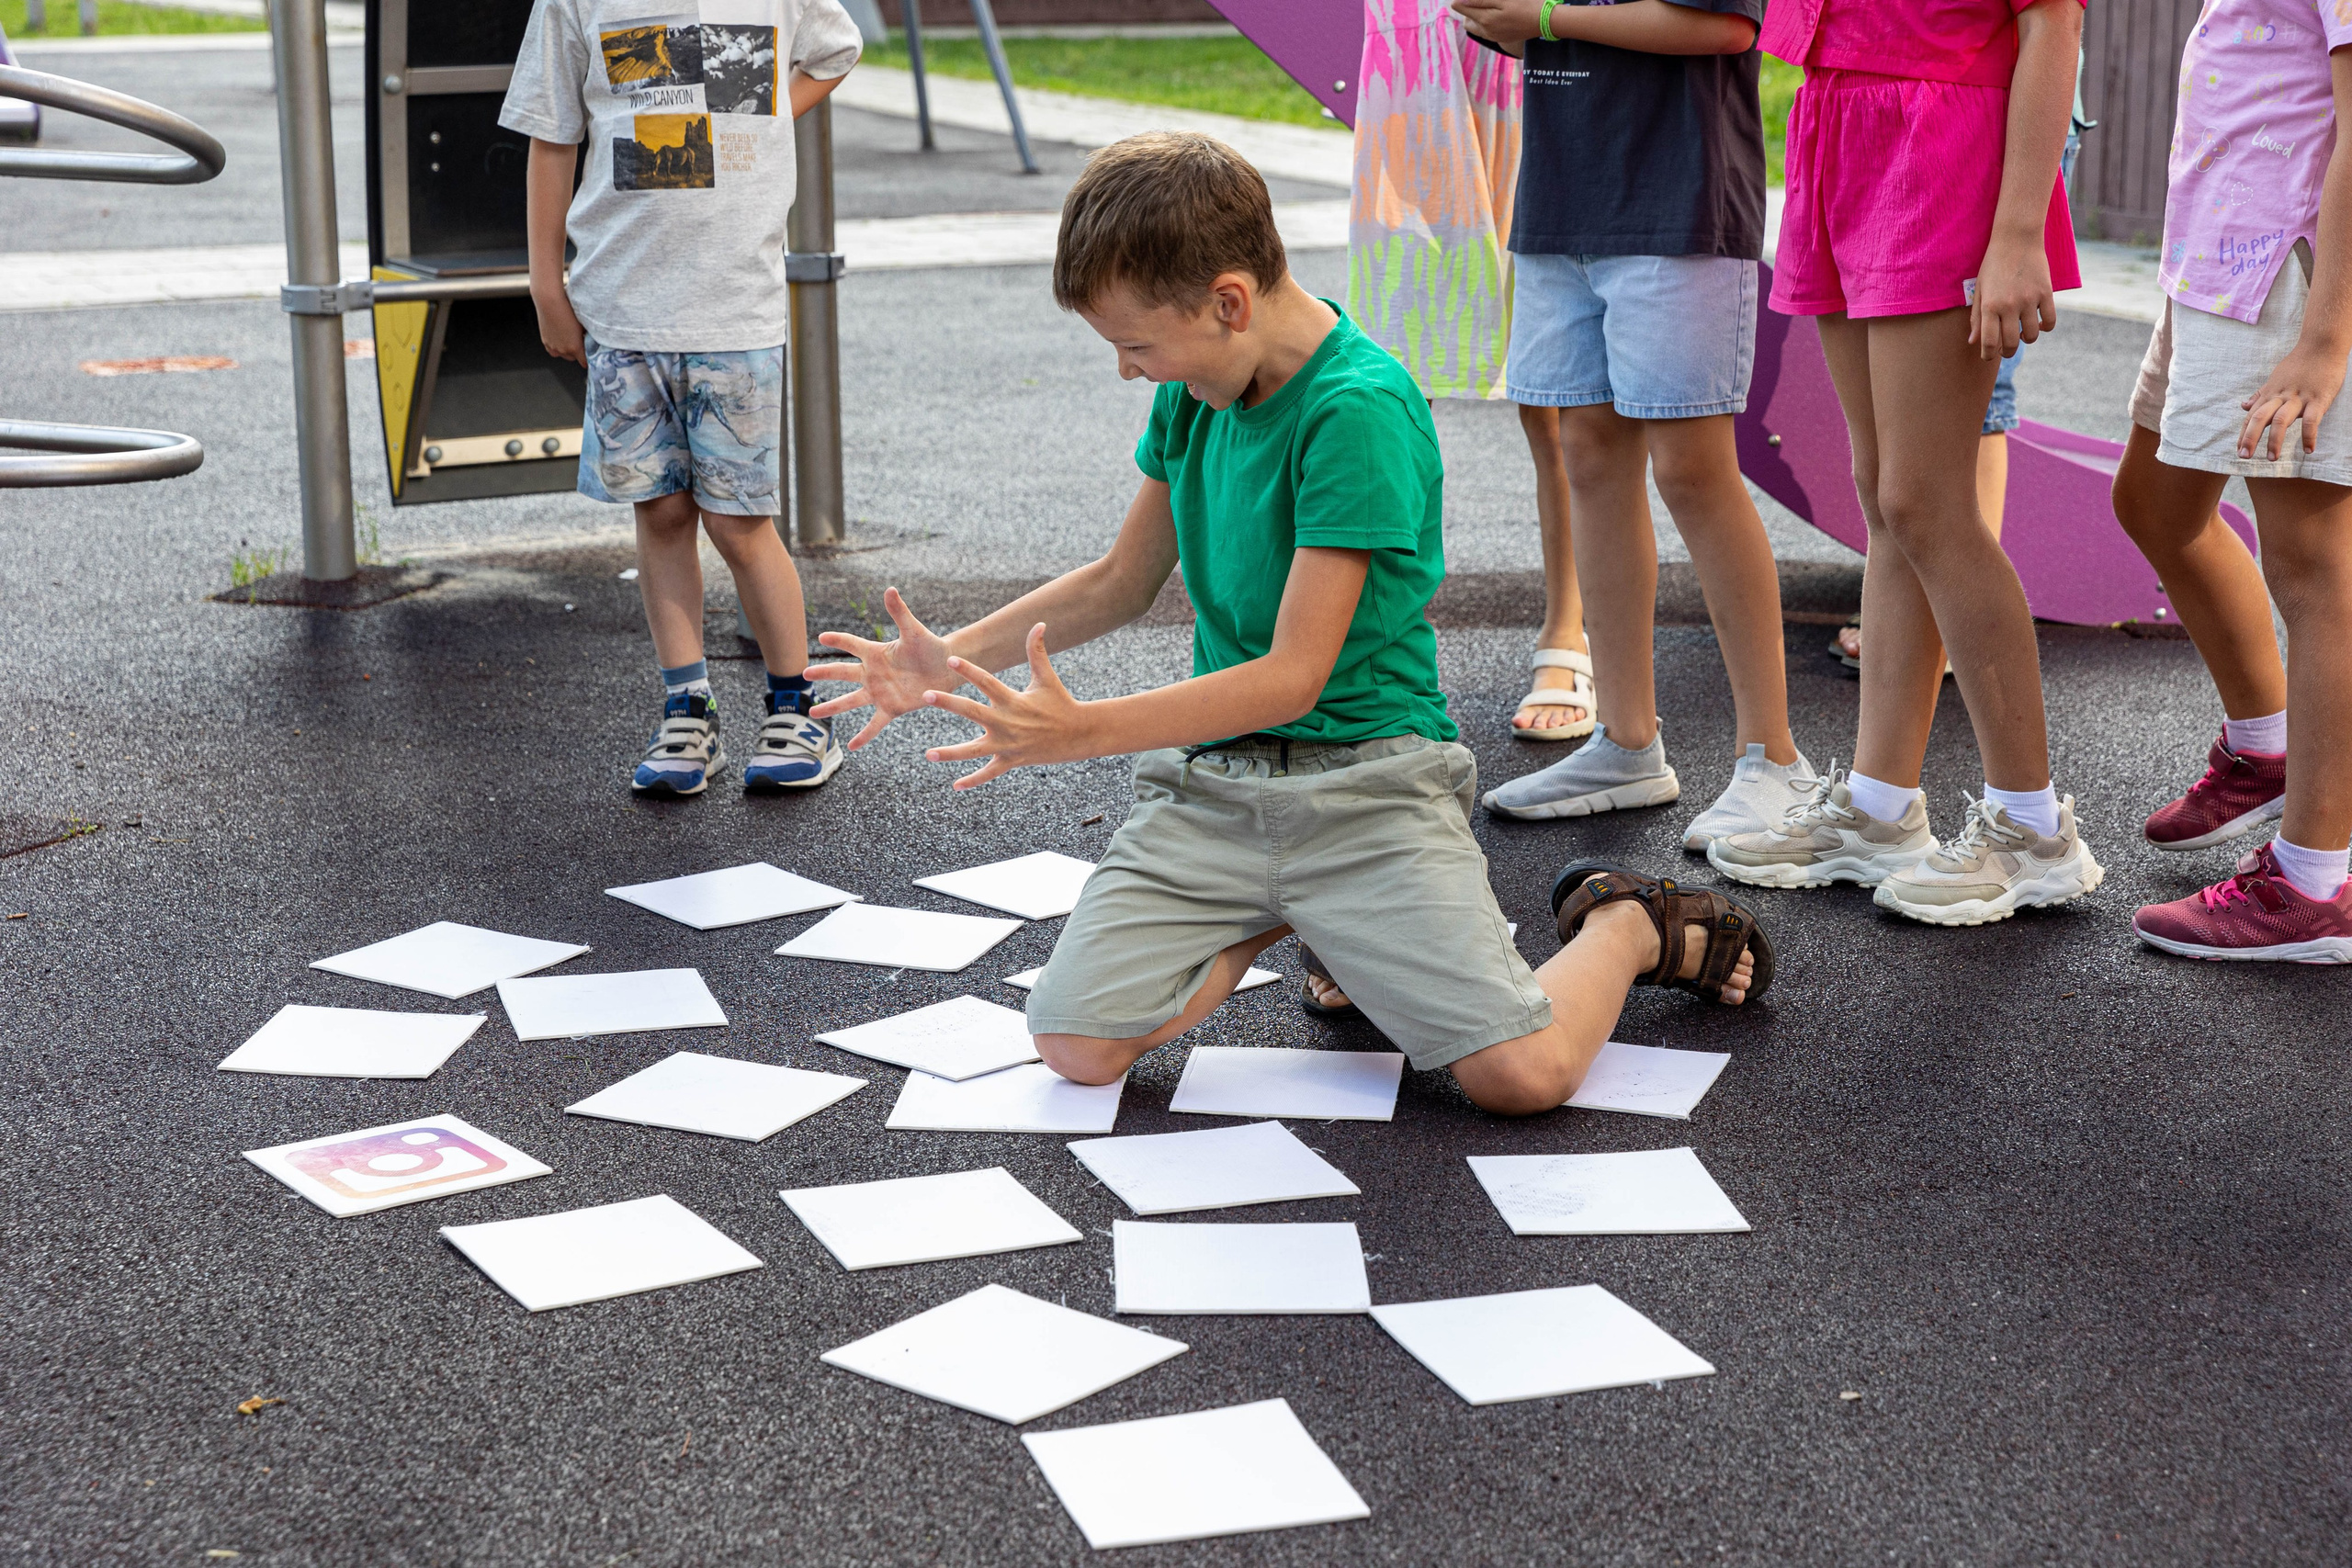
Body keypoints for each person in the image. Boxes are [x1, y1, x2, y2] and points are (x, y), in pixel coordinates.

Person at [807, 133, 1780, 1112]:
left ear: (1228, 302)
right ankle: (1320, 920)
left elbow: (1291, 678)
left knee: (1521, 1078)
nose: (1127, 371)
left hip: (1369, 785)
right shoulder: (1197, 391)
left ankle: (1627, 925)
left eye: (1135, 345)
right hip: (1217, 786)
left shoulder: (1357, 410)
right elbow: (1120, 581)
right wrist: (946, 657)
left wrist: (1081, 730)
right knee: (1074, 1043)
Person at [1708, 0, 2106, 927]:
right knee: (1887, 498)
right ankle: (1878, 808)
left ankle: (2033, 830)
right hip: (1839, 126)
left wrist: (2017, 232)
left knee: (1929, 504)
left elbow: (2053, 24)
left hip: (1940, 140)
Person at [1452, 0, 1817, 853]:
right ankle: (1625, 743)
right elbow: (1505, 28)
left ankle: (1772, 759)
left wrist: (1547, 16)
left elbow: (1728, 26)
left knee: (1693, 469)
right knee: (1586, 452)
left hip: (1678, 203)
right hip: (1561, 199)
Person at [502, 0, 861, 797]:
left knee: (739, 523)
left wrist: (761, 124)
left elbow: (835, 51)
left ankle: (797, 706)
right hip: (623, 306)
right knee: (662, 513)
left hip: (734, 309)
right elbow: (551, 136)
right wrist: (545, 285)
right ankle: (687, 708)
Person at [2111, 3, 2352, 961]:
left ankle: (2314, 882)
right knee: (2154, 502)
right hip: (2217, 264)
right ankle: (2266, 750)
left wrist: (2324, 340)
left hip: (2292, 273)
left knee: (2315, 566)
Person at [1351, 0, 1597, 740]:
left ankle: (1572, 625)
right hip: (1411, 68)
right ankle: (1369, 643)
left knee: (1556, 384)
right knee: (1391, 385)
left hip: (1529, 64)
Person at [1832, 62, 2092, 672]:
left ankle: (1952, 621)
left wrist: (2019, 235)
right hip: (1912, 99)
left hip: (1991, 110)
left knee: (1969, 414)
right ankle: (1926, 620)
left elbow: (2053, 32)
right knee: (1893, 482)